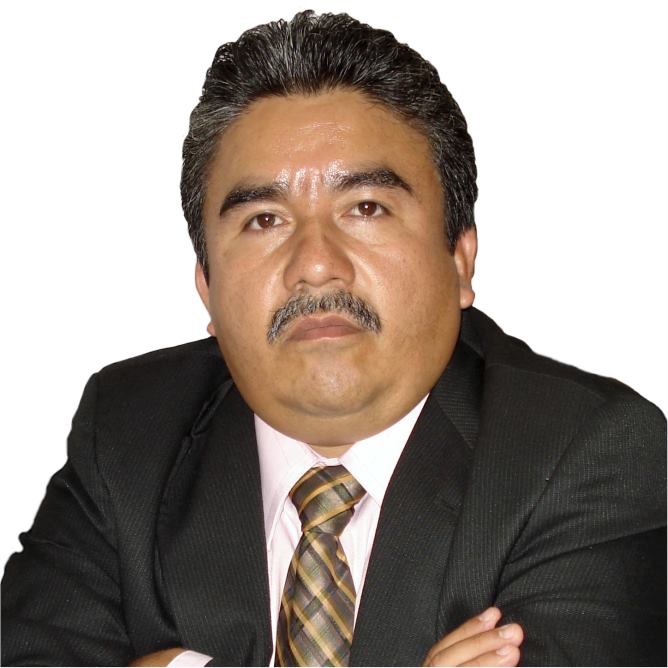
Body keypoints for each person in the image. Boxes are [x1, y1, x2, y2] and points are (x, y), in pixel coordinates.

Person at [2, 9, 665, 667]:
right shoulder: (129, 434)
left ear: (460, 260)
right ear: (207, 286)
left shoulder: (587, 450)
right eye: (264, 220)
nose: (316, 264)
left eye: (366, 208)